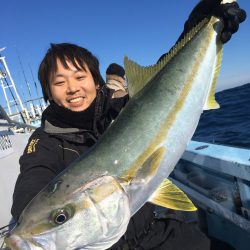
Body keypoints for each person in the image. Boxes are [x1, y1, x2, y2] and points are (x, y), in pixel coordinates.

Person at [11, 1, 246, 249]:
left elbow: (162, 82)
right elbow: (31, 183)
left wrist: (198, 25)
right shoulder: (45, 141)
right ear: (48, 92)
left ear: (97, 81)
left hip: (158, 230)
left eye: (80, 77)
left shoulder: (119, 107)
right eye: (59, 83)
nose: (72, 88)